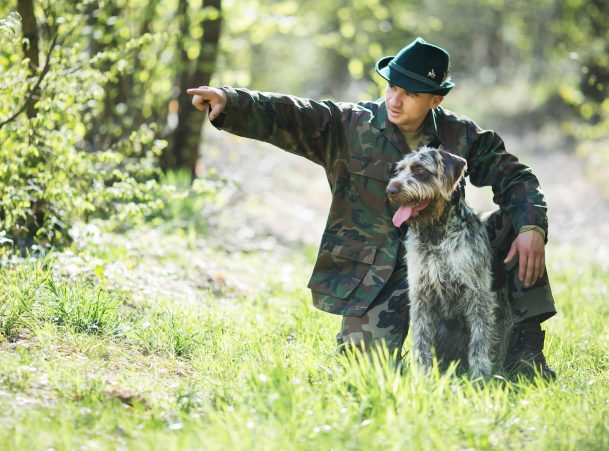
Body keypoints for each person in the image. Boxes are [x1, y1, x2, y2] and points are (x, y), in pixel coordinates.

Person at [187, 38, 557, 380]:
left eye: (410, 93)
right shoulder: (349, 125)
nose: (395, 99)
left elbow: (516, 178)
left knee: (515, 224)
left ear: (435, 100)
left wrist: (532, 229)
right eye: (391, 86)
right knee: (367, 372)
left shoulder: (462, 135)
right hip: (376, 271)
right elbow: (293, 113)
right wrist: (230, 100)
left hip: (445, 260)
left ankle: (524, 350)